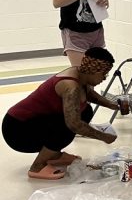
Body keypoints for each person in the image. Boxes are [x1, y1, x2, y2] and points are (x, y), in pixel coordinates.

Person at [2, 48, 118, 180]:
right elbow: (74, 125)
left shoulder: (79, 74)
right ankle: (37, 167)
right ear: (93, 71)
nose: (104, 78)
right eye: (104, 74)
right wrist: (103, 137)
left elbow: (89, 94)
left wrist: (112, 105)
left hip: (30, 123)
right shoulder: (70, 86)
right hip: (17, 131)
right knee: (67, 126)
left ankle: (54, 155)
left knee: (86, 111)